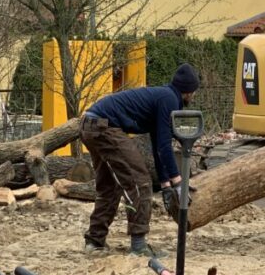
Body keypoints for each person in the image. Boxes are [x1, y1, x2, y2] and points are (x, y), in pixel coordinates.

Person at [80, 63, 200, 256]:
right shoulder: (169, 99)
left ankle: (94, 241)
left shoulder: (163, 95)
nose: (193, 97)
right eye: (194, 93)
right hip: (105, 128)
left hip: (90, 125)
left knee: (110, 186)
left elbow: (158, 143)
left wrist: (165, 184)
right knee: (139, 181)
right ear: (189, 91)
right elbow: (164, 146)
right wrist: (179, 183)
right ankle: (138, 245)